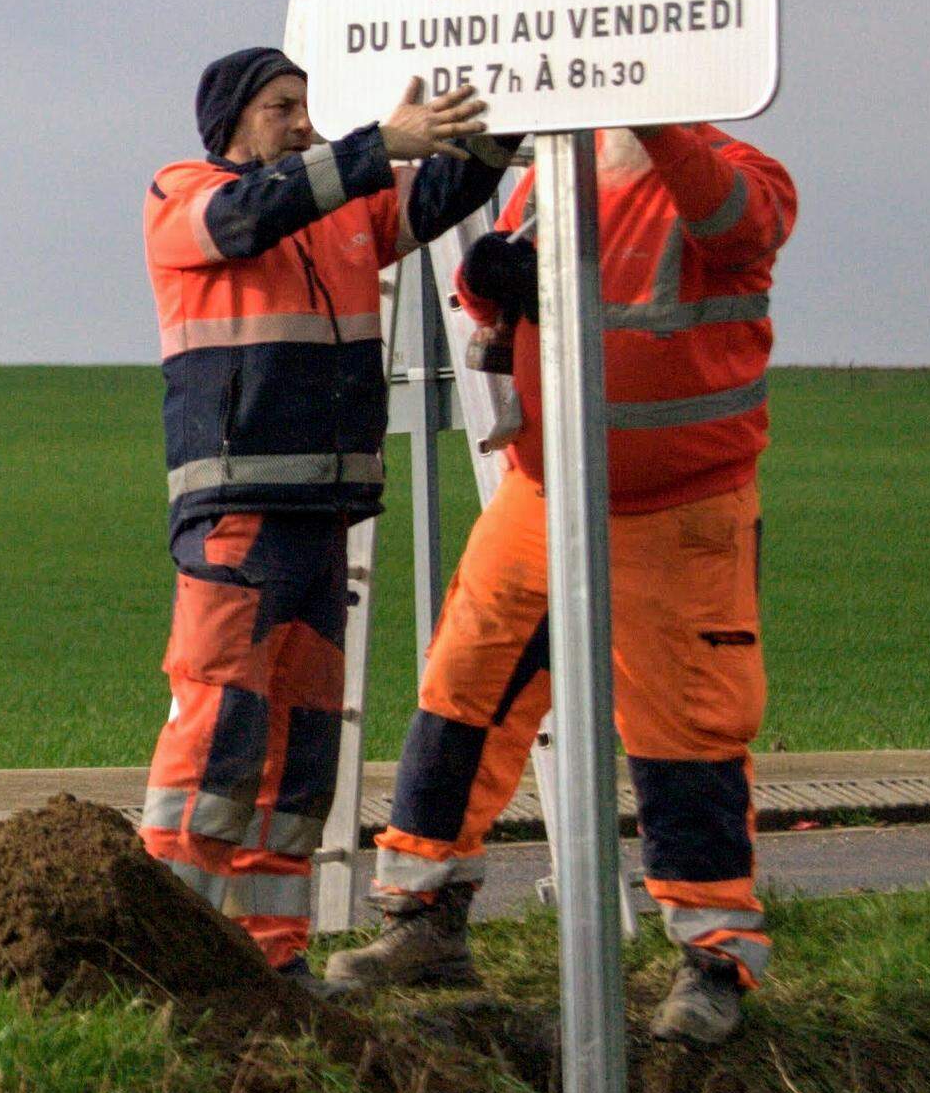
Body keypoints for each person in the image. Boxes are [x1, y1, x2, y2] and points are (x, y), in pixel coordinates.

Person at [322, 122, 796, 1046]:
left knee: (686, 730)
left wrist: (653, 119)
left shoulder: (738, 172)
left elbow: (738, 231)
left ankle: (712, 960)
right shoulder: (551, 178)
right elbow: (503, 312)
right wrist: (482, 282)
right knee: (463, 690)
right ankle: (423, 923)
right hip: (544, 494)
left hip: (680, 509)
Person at [139, 47, 508, 976]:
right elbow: (248, 216)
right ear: (229, 121)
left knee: (300, 757)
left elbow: (432, 199)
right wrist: (379, 142)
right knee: (221, 731)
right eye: (281, 107)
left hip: (318, 517)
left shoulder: (337, 210)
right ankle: (161, 953)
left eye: (306, 107)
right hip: (238, 512)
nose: (301, 122)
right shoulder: (184, 195)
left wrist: (498, 130)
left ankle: (274, 958)